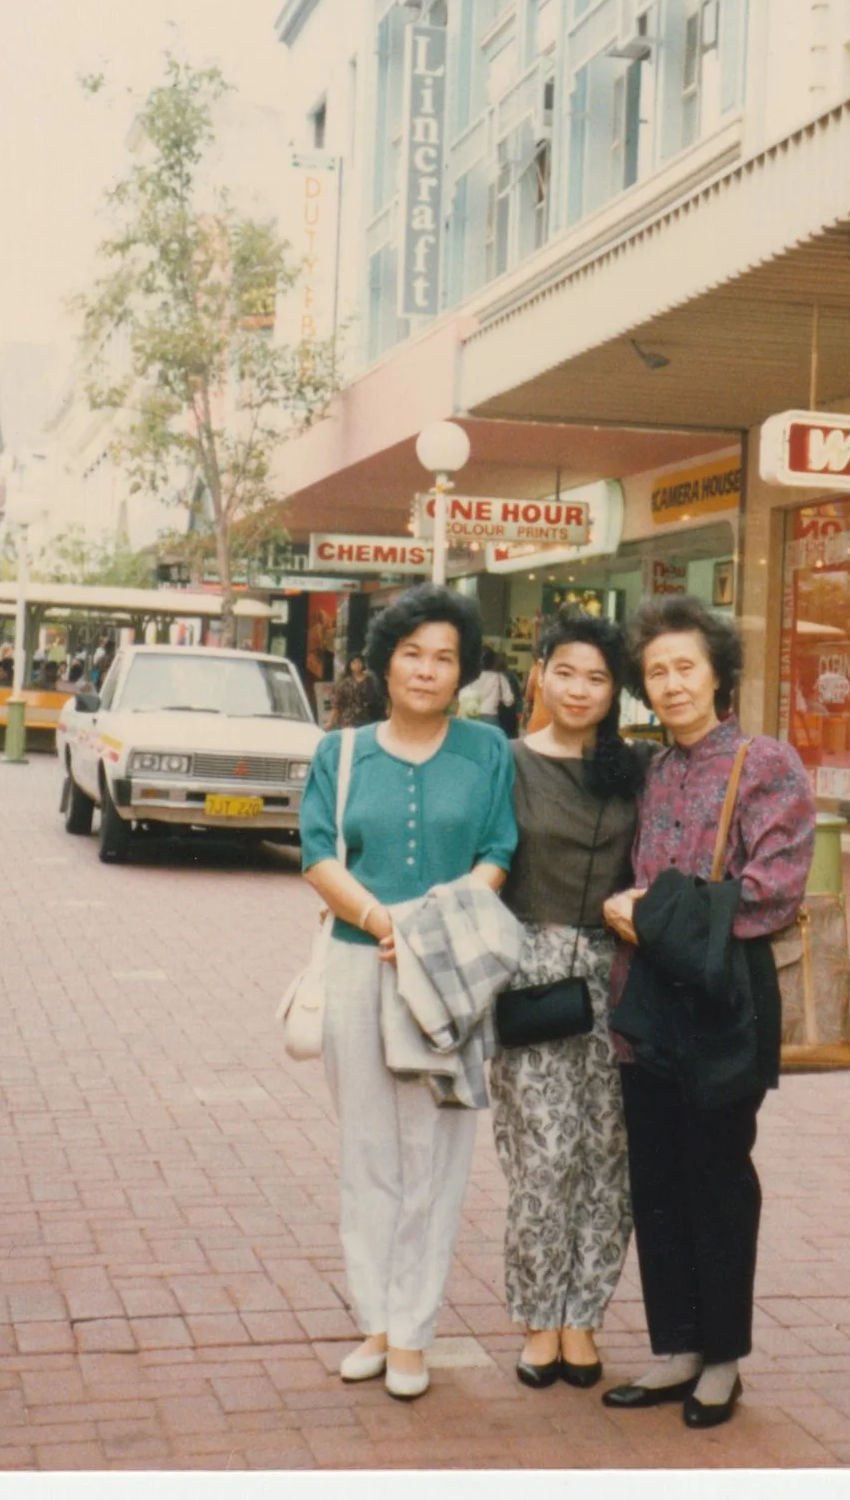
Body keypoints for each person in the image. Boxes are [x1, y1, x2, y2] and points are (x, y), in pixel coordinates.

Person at [598, 596, 814, 1429]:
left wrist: (650, 913)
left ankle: (722, 1358)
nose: (672, 683)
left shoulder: (767, 764)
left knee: (719, 1176)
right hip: (645, 1002)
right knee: (656, 1178)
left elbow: (772, 890)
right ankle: (679, 1347)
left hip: (724, 1002)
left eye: (685, 665)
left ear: (719, 672)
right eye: (656, 671)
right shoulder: (651, 769)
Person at [298, 584, 518, 1403]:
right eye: (412, 654)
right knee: (368, 1151)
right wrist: (380, 919)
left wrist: (431, 926)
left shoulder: (487, 750)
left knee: (437, 1154)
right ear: (385, 663)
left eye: (445, 657)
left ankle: (415, 1330)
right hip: (359, 963)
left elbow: (499, 848)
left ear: (463, 671)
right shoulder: (342, 752)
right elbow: (318, 853)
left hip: (448, 971)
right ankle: (377, 1321)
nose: (427, 670)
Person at [494, 612, 653, 1391]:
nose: (580, 689)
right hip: (530, 979)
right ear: (540, 673)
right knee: (543, 1155)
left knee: (607, 1158)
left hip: (619, 980)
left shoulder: (638, 768)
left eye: (597, 677)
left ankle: (582, 1317)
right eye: (566, 672)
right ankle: (537, 1317)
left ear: (616, 689)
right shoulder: (507, 763)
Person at [459, 645, 521, 735]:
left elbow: (461, 697)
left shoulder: (471, 677)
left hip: (471, 716)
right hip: (491, 718)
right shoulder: (499, 677)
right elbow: (509, 701)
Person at [329, 653, 386, 731]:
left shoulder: (372, 680)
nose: (357, 665)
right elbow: (337, 704)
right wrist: (330, 722)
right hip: (349, 721)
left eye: (359, 662)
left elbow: (381, 697)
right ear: (349, 665)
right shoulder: (344, 683)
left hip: (368, 719)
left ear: (363, 664)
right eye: (354, 663)